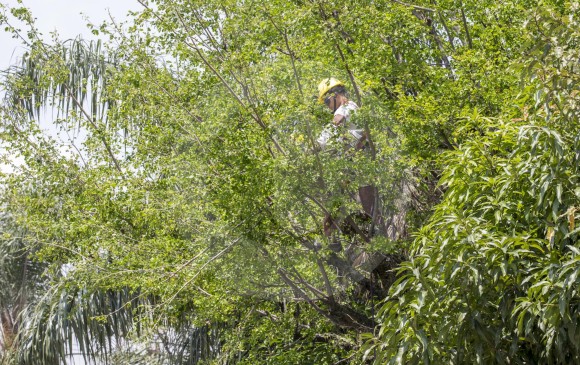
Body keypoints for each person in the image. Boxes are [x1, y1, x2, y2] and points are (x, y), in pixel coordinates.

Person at [316, 78, 376, 237]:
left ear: (335, 95)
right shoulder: (354, 107)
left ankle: (331, 237)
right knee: (342, 196)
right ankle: (370, 224)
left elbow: (337, 121)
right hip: (354, 156)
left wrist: (317, 145)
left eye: (327, 101)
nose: (327, 106)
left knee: (339, 196)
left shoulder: (345, 108)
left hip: (355, 157)